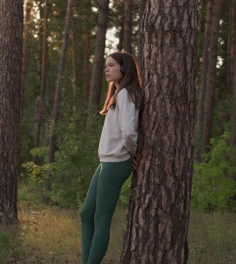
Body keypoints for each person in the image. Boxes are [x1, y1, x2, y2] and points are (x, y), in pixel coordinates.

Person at [80, 51, 143, 264]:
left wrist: (133, 153)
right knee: (86, 213)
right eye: (106, 65)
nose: (106, 69)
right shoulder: (119, 94)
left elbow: (128, 132)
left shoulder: (126, 94)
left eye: (111, 65)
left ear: (124, 68)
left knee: (101, 218)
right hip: (106, 162)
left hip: (116, 163)